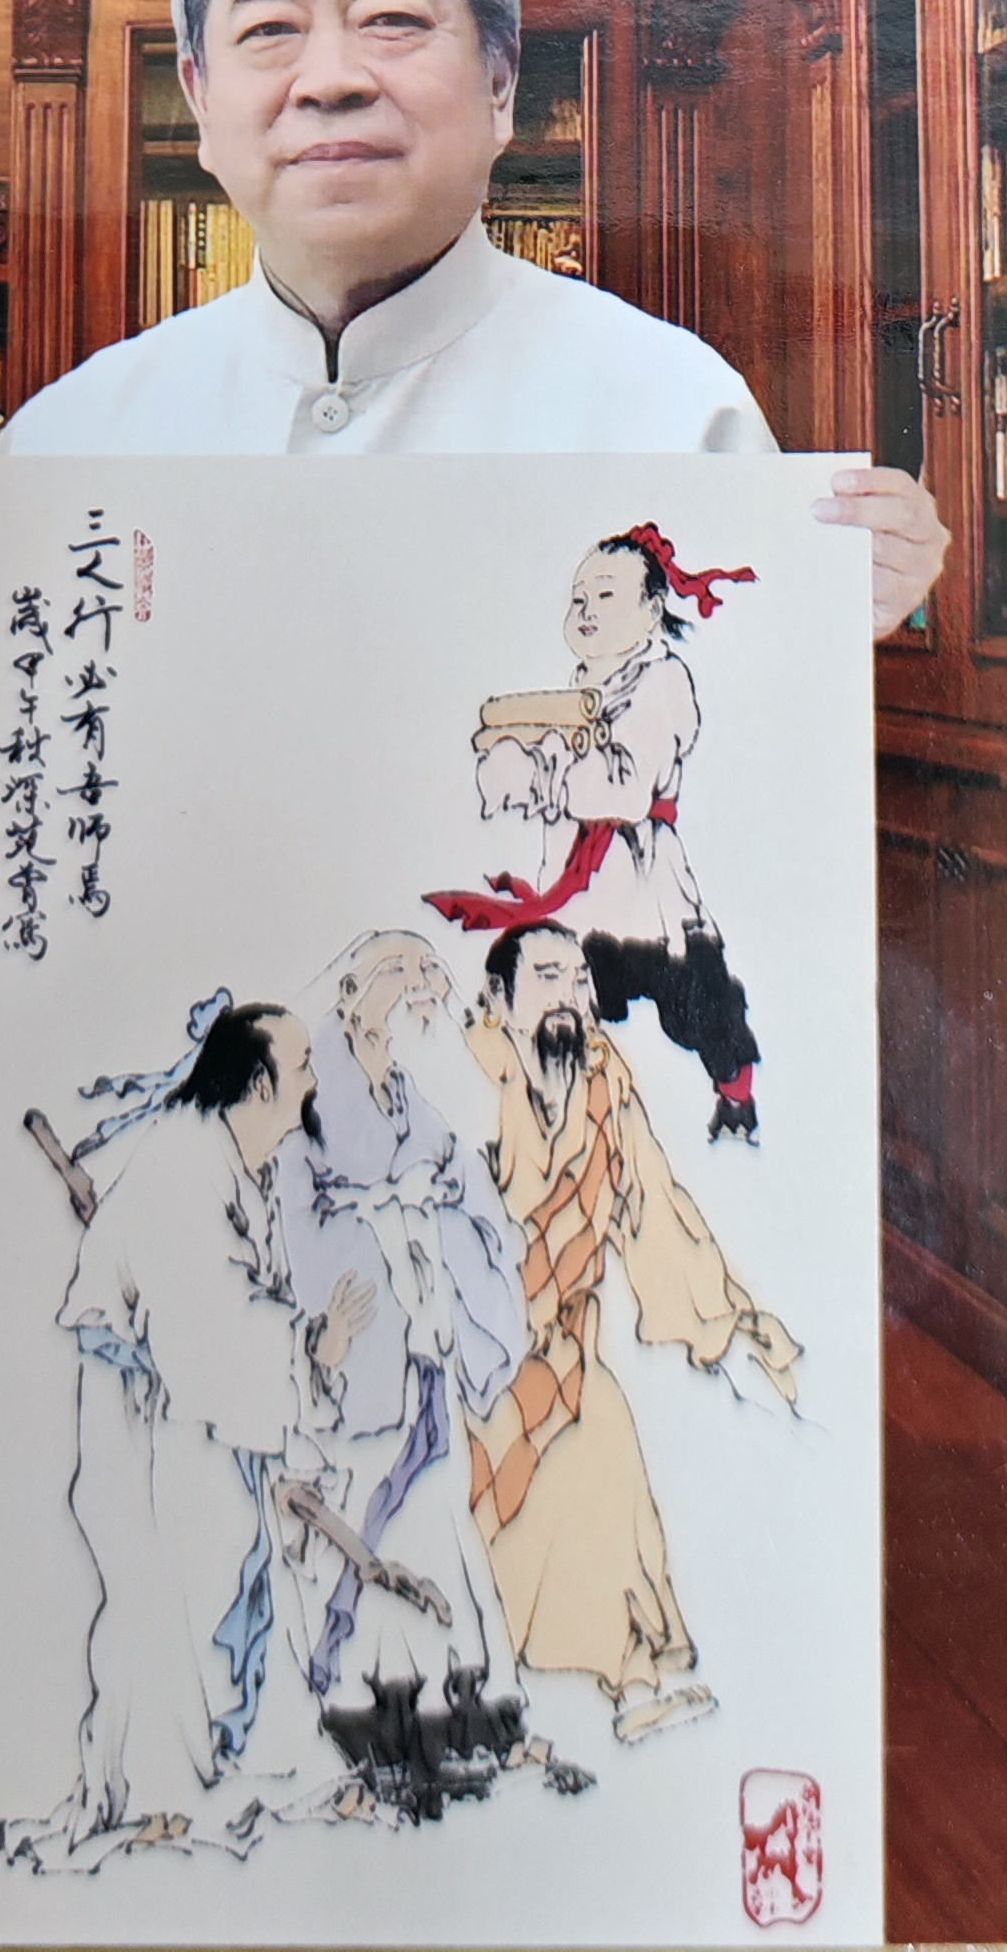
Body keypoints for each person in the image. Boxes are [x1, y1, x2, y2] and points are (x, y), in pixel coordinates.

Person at [0, 0, 948, 644]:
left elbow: (734, 757)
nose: (330, 79)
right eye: (270, 28)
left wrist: (841, 595)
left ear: (501, 80)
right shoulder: (74, 439)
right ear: (200, 99)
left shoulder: (671, 407)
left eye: (392, 18)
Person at [0, 1002, 372, 1869]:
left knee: (225, 1579)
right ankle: (165, 1792)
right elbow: (214, 1327)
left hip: (188, 1406)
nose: (314, 1081)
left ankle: (230, 1771)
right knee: (167, 1588)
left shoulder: (242, 1163)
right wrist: (313, 1351)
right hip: (147, 1414)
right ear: (261, 1082)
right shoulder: (189, 1166)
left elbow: (235, 1317)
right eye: (303, 1065)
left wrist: (303, 1359)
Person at [466, 925, 798, 1749]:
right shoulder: (465, 1079)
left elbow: (655, 1204)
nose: (571, 997)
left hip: (568, 1348)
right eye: (548, 977)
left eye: (579, 979)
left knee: (605, 1453)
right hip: (473, 1357)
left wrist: (729, 1315)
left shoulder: (604, 1080)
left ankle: (634, 1682)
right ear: (499, 999)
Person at [273, 933, 531, 1805]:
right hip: (365, 1340)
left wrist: (442, 1210)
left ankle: (455, 1711)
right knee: (366, 1510)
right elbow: (295, 1213)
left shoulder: (409, 1092)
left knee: (436, 1516)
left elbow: (460, 1179)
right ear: (353, 987)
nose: (420, 985)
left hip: (423, 1338)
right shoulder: (317, 1083)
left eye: (426, 973)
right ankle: (370, 1718)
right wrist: (376, 1232)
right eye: (400, 970)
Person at [434, 523, 764, 1143]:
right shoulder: (583, 684)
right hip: (579, 876)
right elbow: (553, 763)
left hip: (641, 877)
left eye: (606, 595)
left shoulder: (662, 681)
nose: (585, 609)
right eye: (578, 598)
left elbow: (625, 789)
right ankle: (567, 1114)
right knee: (561, 990)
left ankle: (736, 1099)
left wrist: (543, 772)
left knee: (692, 997)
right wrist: (513, 767)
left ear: (651, 610)